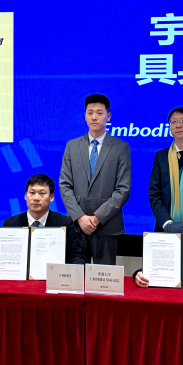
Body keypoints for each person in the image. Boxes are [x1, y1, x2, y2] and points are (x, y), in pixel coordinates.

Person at [59, 93, 131, 265]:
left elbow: (123, 190)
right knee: (76, 277)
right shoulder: (72, 146)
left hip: (107, 225)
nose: (94, 117)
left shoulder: (121, 147)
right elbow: (65, 185)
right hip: (77, 226)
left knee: (103, 279)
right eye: (90, 112)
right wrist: (80, 217)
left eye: (99, 112)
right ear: (85, 116)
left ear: (108, 116)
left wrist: (97, 218)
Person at [0, 174, 85, 275]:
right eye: (32, 193)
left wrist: (69, 274)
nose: (36, 198)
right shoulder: (11, 223)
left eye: (42, 193)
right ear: (25, 196)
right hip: (17, 281)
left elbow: (75, 257)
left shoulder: (64, 223)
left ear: (51, 197)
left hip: (52, 280)